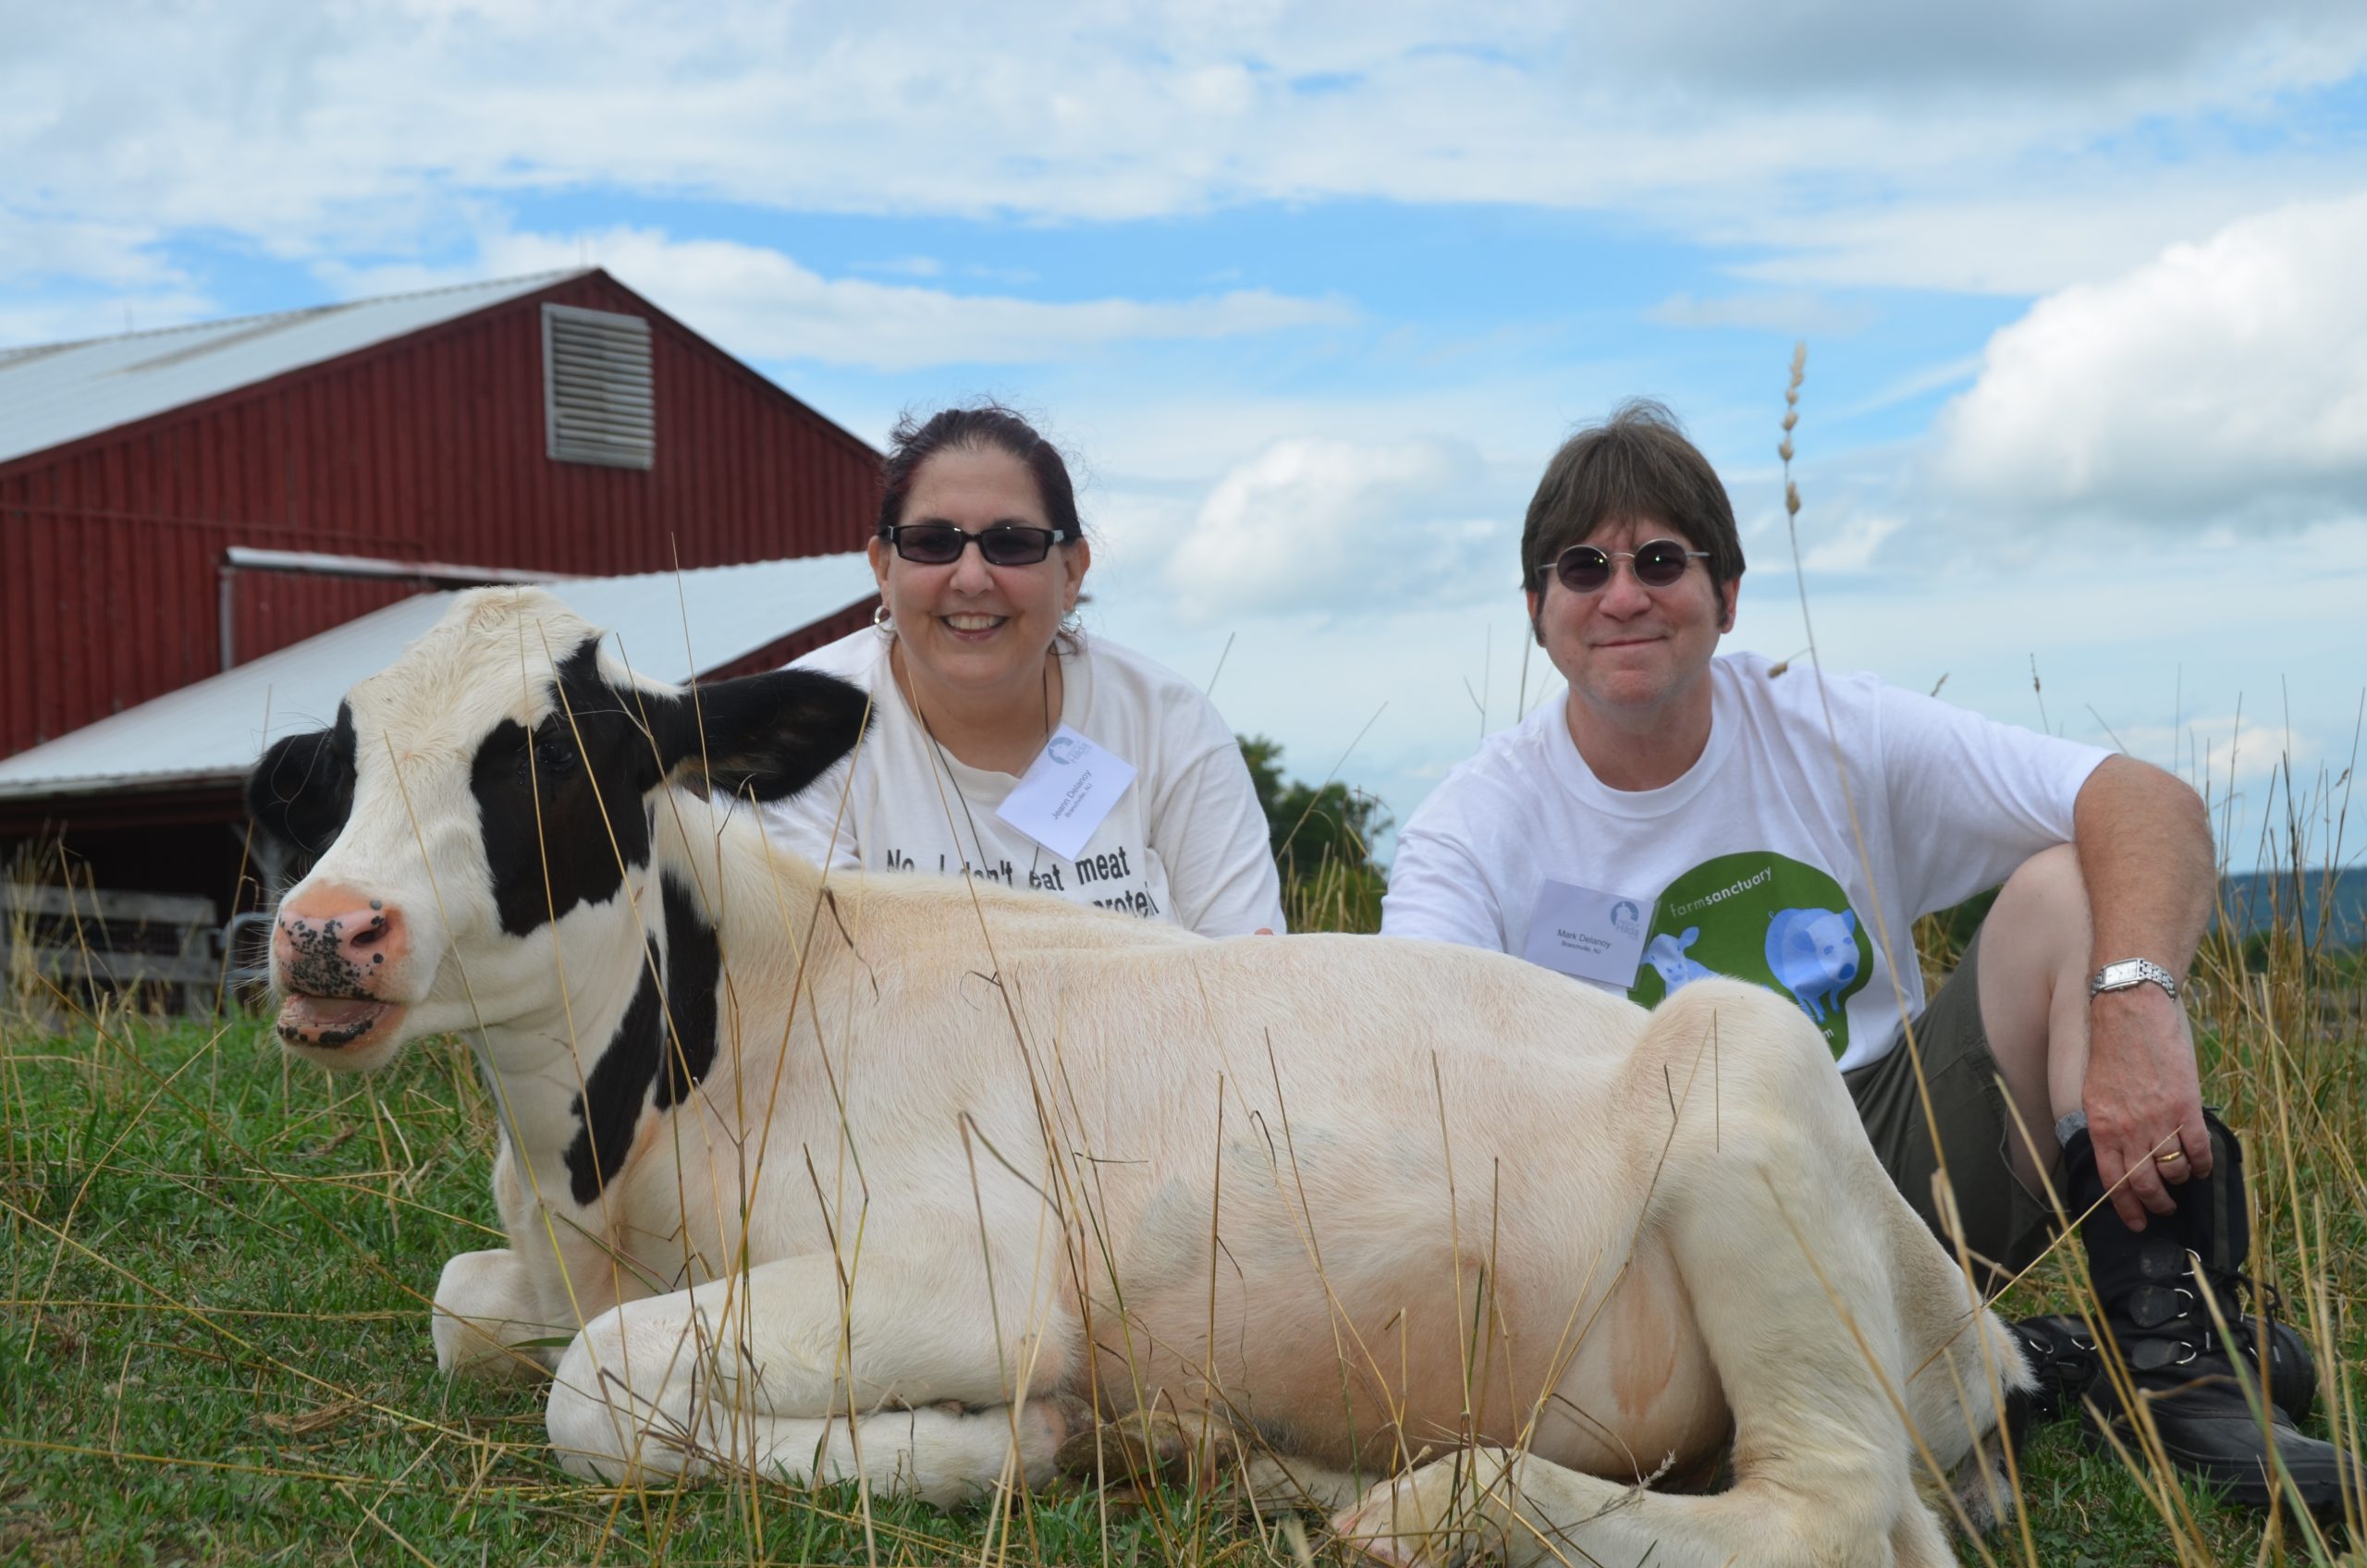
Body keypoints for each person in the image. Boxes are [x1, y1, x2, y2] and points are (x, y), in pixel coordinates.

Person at [1380, 399, 2350, 1509]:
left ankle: (2181, 1373)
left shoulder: (1833, 728)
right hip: (1645, 1223)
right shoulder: (1469, 826)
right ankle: (2020, 1365)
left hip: (1891, 1162)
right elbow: (1418, 1066)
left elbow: (2139, 800)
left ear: (1728, 594)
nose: (1622, 594)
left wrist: (2134, 1004)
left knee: (2065, 884)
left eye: (1659, 558)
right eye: (1581, 566)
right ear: (1537, 609)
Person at [765, 404, 1285, 938]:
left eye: (1011, 543)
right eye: (932, 541)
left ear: (1071, 573)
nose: (970, 579)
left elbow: (1255, 980)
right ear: (883, 568)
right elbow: (826, 990)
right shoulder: (799, 728)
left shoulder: (1167, 723)